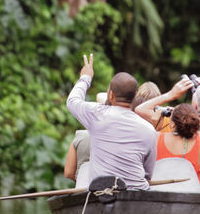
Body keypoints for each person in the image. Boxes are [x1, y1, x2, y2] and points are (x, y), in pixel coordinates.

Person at [66, 53, 157, 190]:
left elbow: (72, 101)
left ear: (111, 95)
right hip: (137, 194)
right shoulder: (149, 129)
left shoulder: (96, 114)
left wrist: (85, 77)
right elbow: (148, 174)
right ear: (134, 96)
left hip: (101, 193)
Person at [155, 104, 200, 191]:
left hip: (163, 193)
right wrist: (193, 128)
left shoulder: (156, 137)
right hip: (195, 196)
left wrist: (156, 124)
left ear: (173, 124)